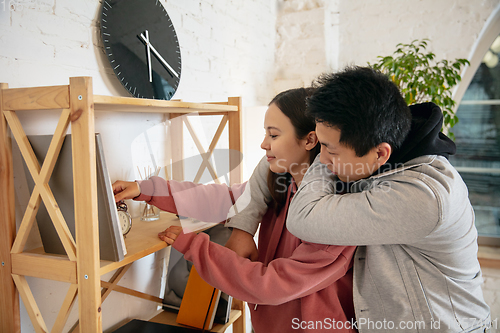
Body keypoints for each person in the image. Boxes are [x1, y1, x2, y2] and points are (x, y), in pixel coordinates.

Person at [223, 66, 492, 333]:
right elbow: (276, 160)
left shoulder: (423, 197)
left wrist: (313, 157)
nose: (321, 159)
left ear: (380, 154)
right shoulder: (373, 144)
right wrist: (243, 226)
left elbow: (303, 217)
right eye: (319, 146)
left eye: (328, 150)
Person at [113, 87, 358, 333]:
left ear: (309, 140)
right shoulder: (281, 186)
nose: (264, 144)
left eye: (273, 135)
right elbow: (220, 198)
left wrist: (195, 247)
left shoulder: (335, 219)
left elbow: (271, 285)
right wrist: (145, 189)